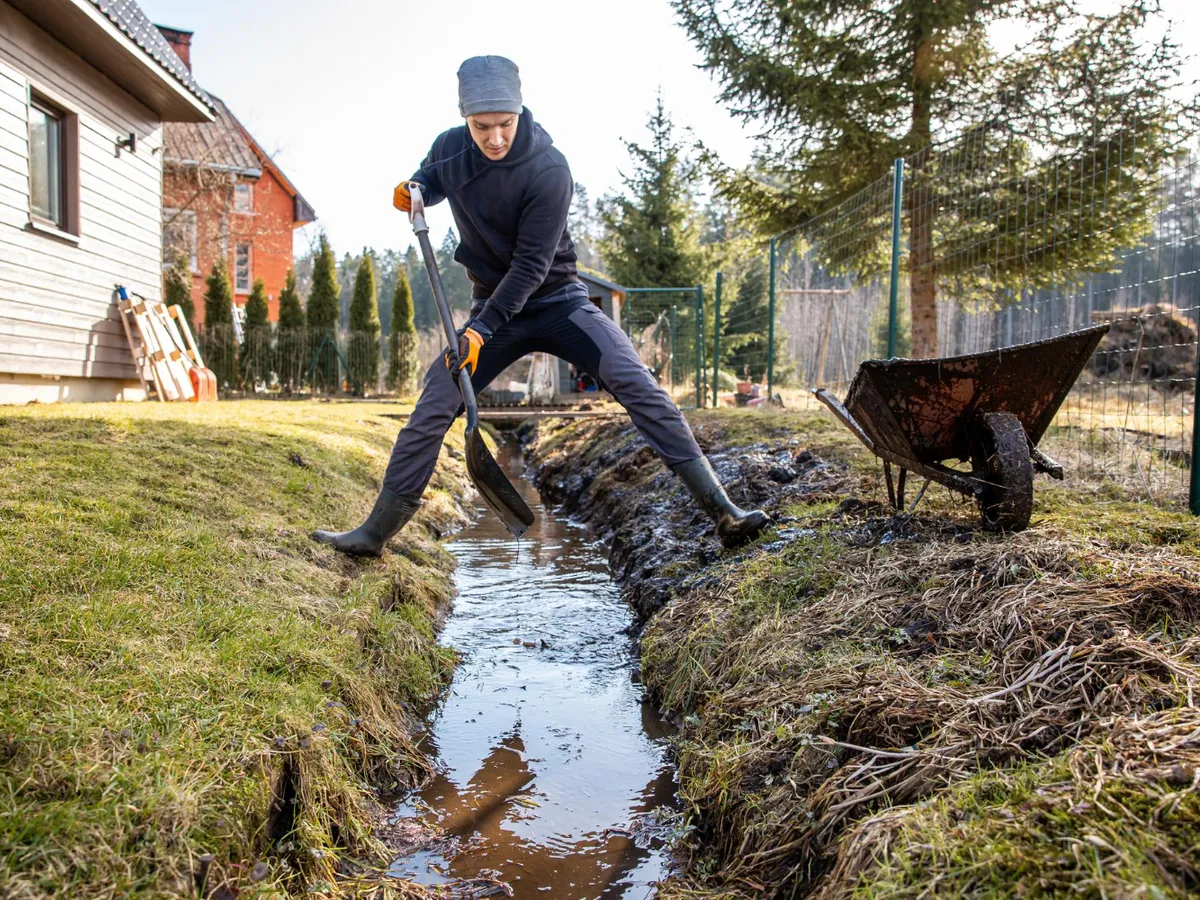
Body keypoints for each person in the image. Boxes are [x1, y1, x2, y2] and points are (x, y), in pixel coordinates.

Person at [312, 56, 768, 557]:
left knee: (638, 385)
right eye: (481, 127)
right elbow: (430, 181)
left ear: (519, 111)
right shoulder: (450, 147)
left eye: (504, 124)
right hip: (493, 309)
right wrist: (413, 191)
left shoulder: (548, 168)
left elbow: (530, 269)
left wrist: (479, 330)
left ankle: (724, 512)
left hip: (558, 302)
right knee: (435, 402)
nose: (494, 138)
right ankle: (374, 535)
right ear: (464, 117)